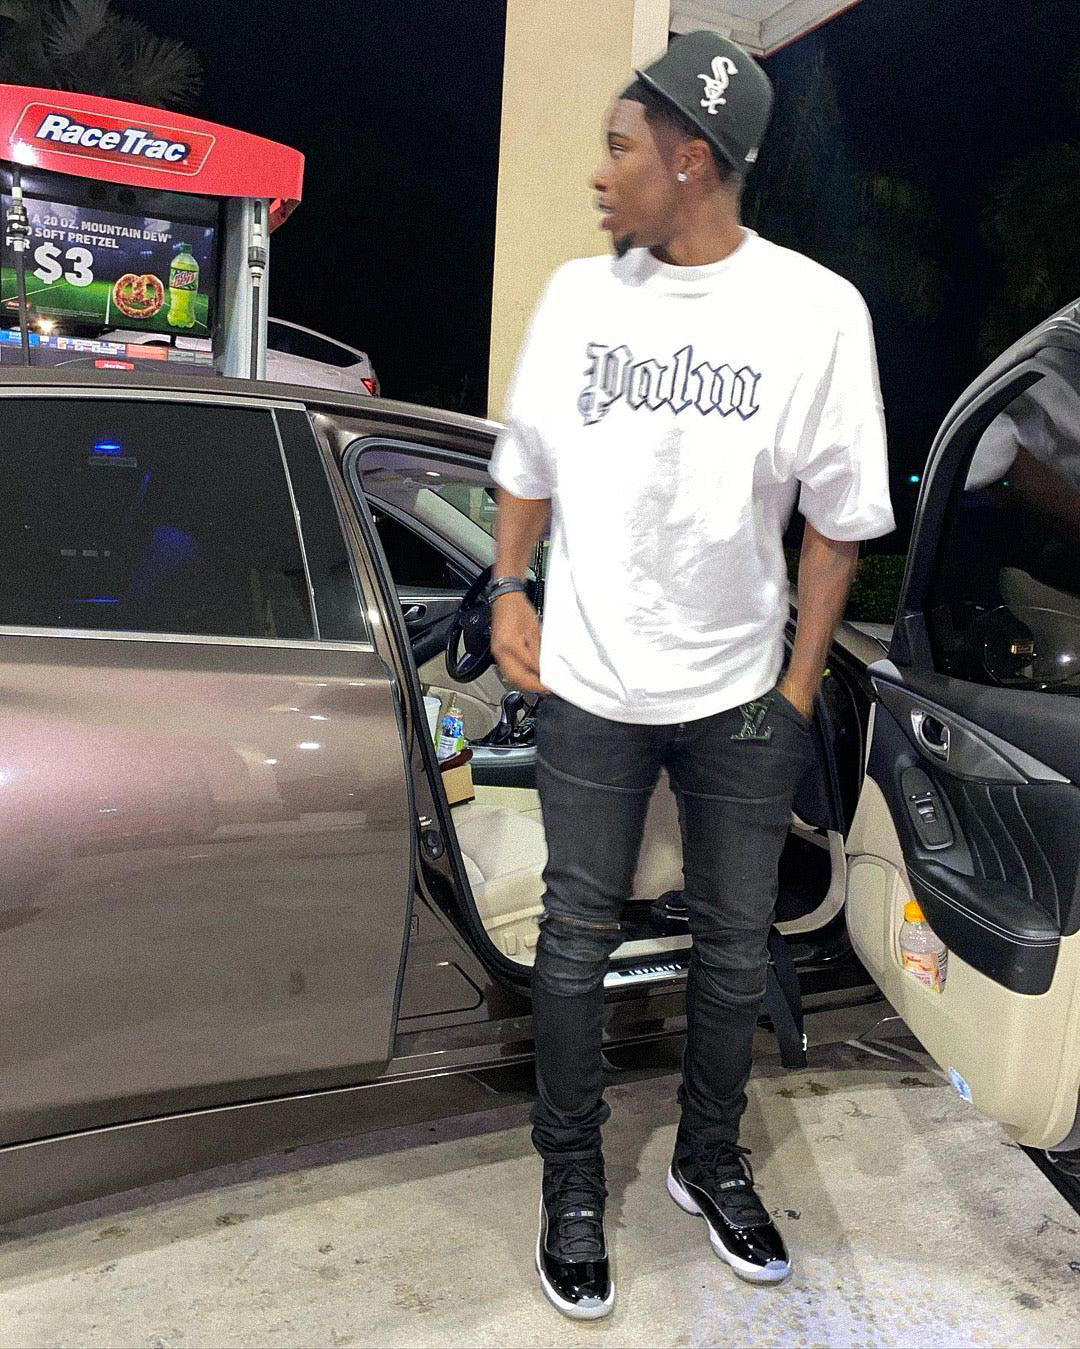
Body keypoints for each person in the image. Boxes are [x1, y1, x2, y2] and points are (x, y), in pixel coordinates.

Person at [488, 30, 895, 1320]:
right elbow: (526, 463)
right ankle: (570, 1177)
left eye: (620, 147)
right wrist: (508, 588)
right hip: (590, 687)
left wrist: (797, 690)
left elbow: (838, 519)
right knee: (572, 943)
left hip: (737, 700)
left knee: (733, 947)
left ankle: (709, 1159)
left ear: (693, 159)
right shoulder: (578, 299)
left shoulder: (816, 313)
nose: (599, 173)